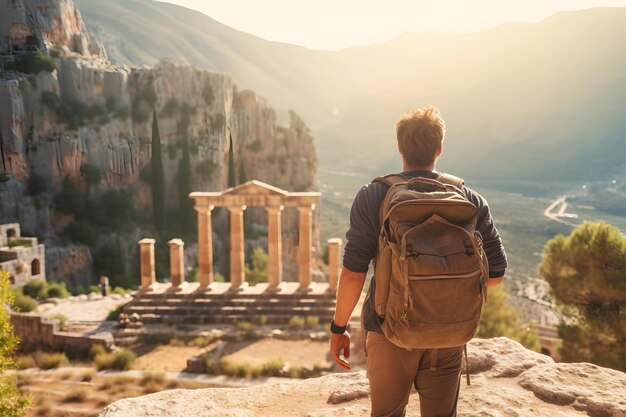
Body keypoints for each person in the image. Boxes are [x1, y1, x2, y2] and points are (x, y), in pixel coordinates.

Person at [329, 106, 508, 417]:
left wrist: (338, 328)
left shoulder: (373, 196)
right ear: (439, 149)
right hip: (449, 333)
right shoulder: (470, 199)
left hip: (389, 332)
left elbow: (353, 274)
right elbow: (496, 274)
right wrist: (448, 299)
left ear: (400, 148)